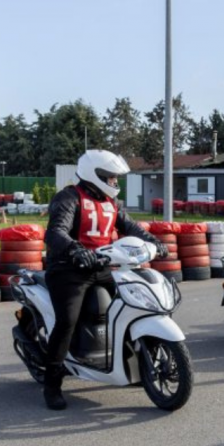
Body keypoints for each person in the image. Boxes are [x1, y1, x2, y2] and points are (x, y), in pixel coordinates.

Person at [43, 149, 168, 410]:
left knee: (135, 303)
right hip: (68, 269)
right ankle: (51, 383)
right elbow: (55, 233)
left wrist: (154, 241)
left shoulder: (111, 203)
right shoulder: (69, 197)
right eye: (111, 177)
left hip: (102, 266)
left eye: (115, 178)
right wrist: (75, 249)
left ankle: (130, 360)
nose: (115, 182)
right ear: (96, 175)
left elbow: (130, 227)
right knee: (67, 321)